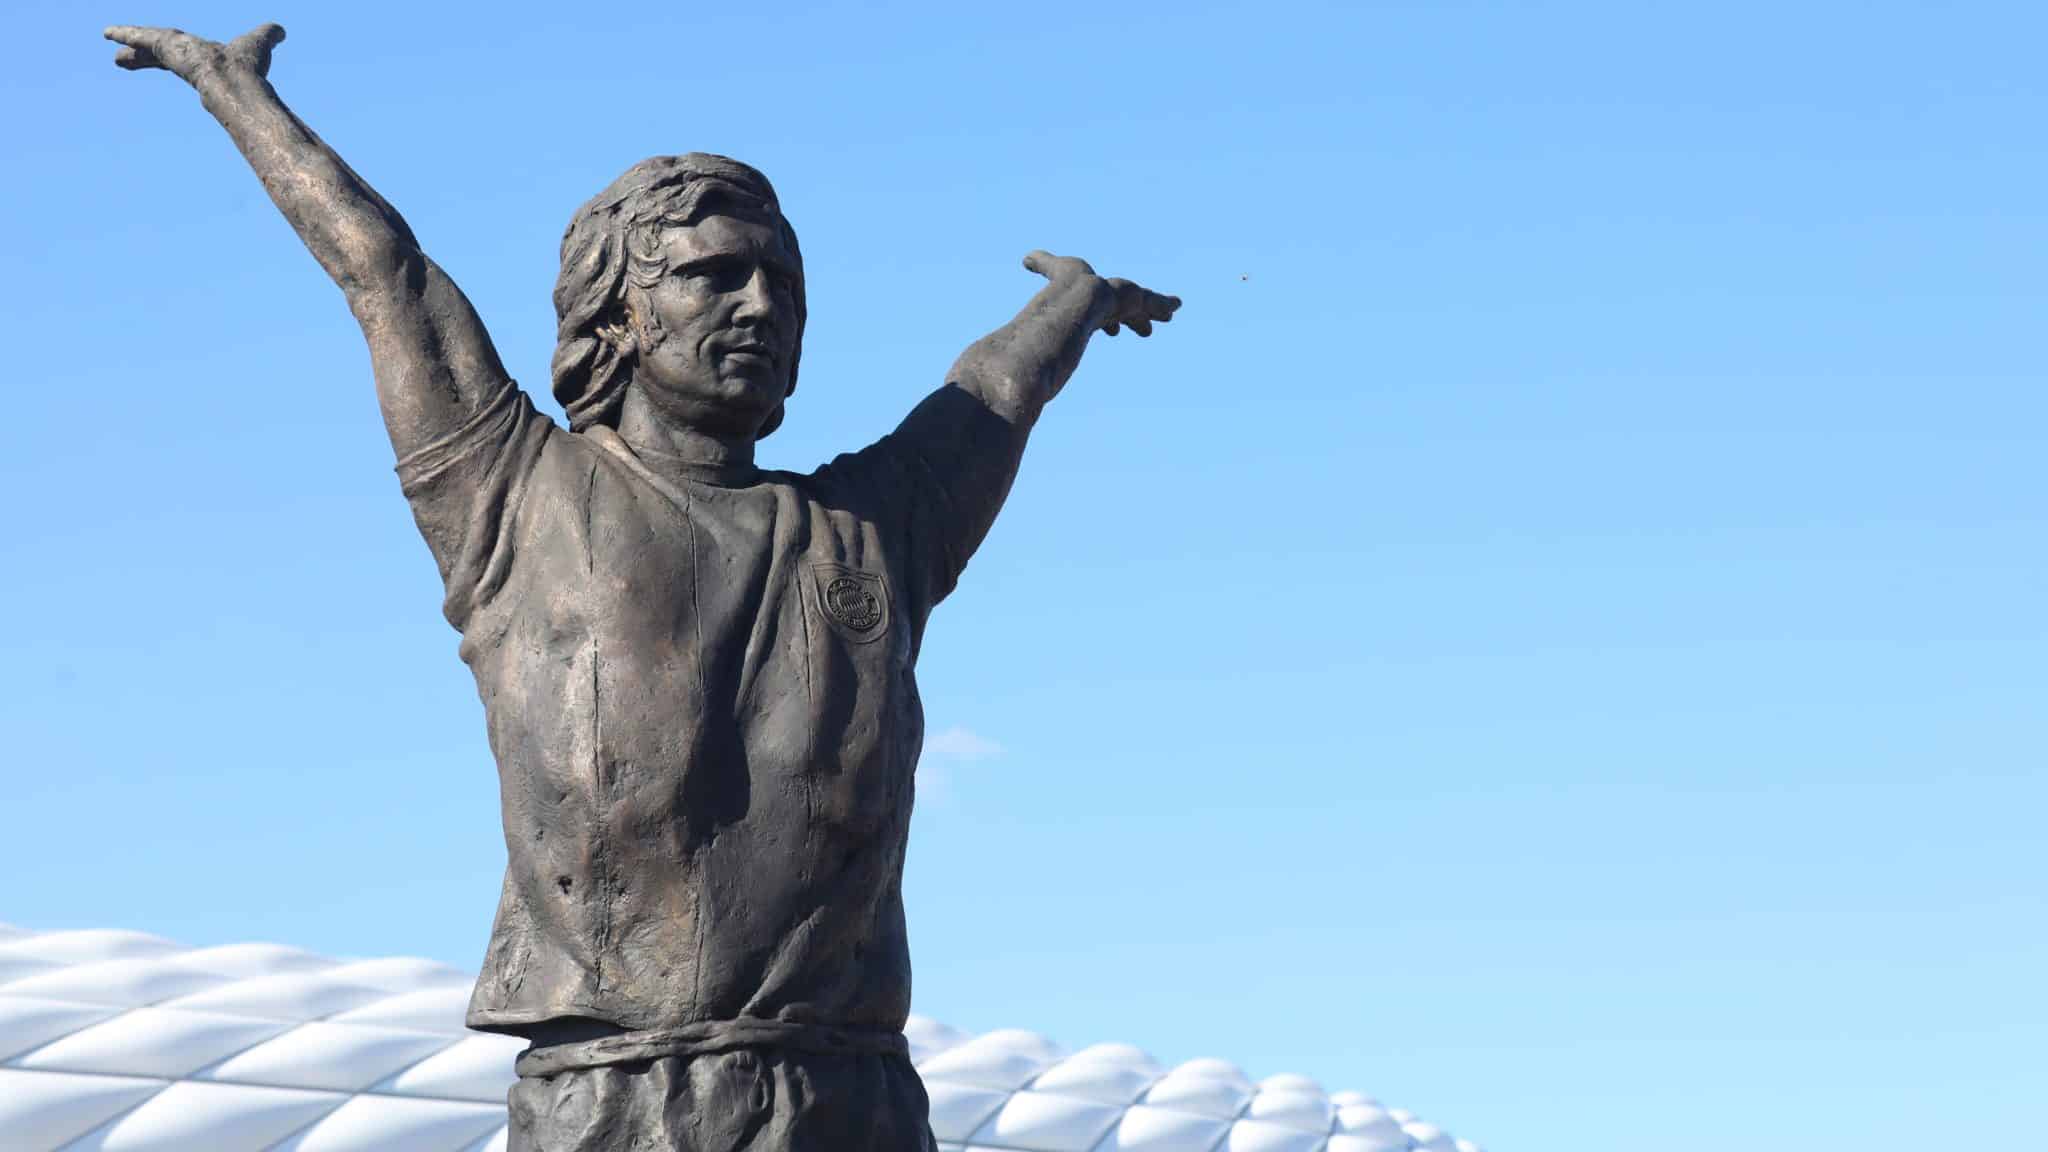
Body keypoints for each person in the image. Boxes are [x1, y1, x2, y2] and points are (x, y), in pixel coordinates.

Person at [106, 22, 1179, 1151]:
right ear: (617, 313)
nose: (761, 307)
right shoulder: (511, 493)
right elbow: (389, 276)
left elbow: (992, 393)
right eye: (714, 275)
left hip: (849, 1100)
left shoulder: (875, 527)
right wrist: (235, 94)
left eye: (782, 285)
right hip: (610, 1101)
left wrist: (1076, 301)